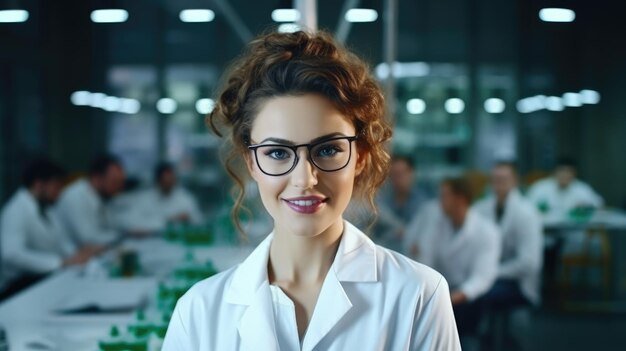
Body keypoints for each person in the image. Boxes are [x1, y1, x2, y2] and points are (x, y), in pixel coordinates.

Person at [163, 30, 460, 350]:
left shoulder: (419, 296)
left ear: (359, 156)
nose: (305, 178)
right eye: (278, 153)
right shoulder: (200, 312)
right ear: (251, 162)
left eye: (328, 150)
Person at [413, 177, 501, 336]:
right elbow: (425, 260)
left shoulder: (487, 231)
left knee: (464, 316)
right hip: (440, 287)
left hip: (467, 295)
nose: (439, 202)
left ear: (460, 199)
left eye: (444, 196)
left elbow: (482, 278)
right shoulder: (436, 223)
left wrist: (451, 298)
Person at [0, 159, 96, 299]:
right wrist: (59, 263)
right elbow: (11, 255)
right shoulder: (15, 211)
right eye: (56, 187)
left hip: (40, 279)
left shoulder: (48, 209)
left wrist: (77, 255)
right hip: (16, 286)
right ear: (39, 185)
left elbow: (60, 242)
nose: (59, 193)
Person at [474, 162, 543, 310]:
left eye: (504, 179)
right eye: (495, 179)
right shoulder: (481, 208)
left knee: (481, 293)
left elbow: (530, 263)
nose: (498, 183)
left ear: (514, 181)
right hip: (488, 274)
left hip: (517, 281)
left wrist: (493, 272)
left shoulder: (527, 212)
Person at [54, 154, 126, 246]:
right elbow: (87, 239)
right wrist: (121, 235)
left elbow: (110, 226)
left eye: (120, 182)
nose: (119, 188)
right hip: (70, 255)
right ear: (96, 178)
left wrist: (123, 232)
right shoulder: (76, 197)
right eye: (114, 182)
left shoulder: (101, 195)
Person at [374, 155, 431, 251]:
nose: (398, 179)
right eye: (394, 175)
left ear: (411, 173)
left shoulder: (423, 203)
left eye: (401, 174)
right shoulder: (383, 200)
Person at [526, 156, 603, 215]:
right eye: (562, 171)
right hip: (546, 232)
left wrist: (585, 207)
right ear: (554, 172)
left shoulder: (581, 188)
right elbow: (527, 207)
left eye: (569, 172)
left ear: (574, 173)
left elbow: (598, 204)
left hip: (575, 233)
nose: (565, 175)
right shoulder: (540, 187)